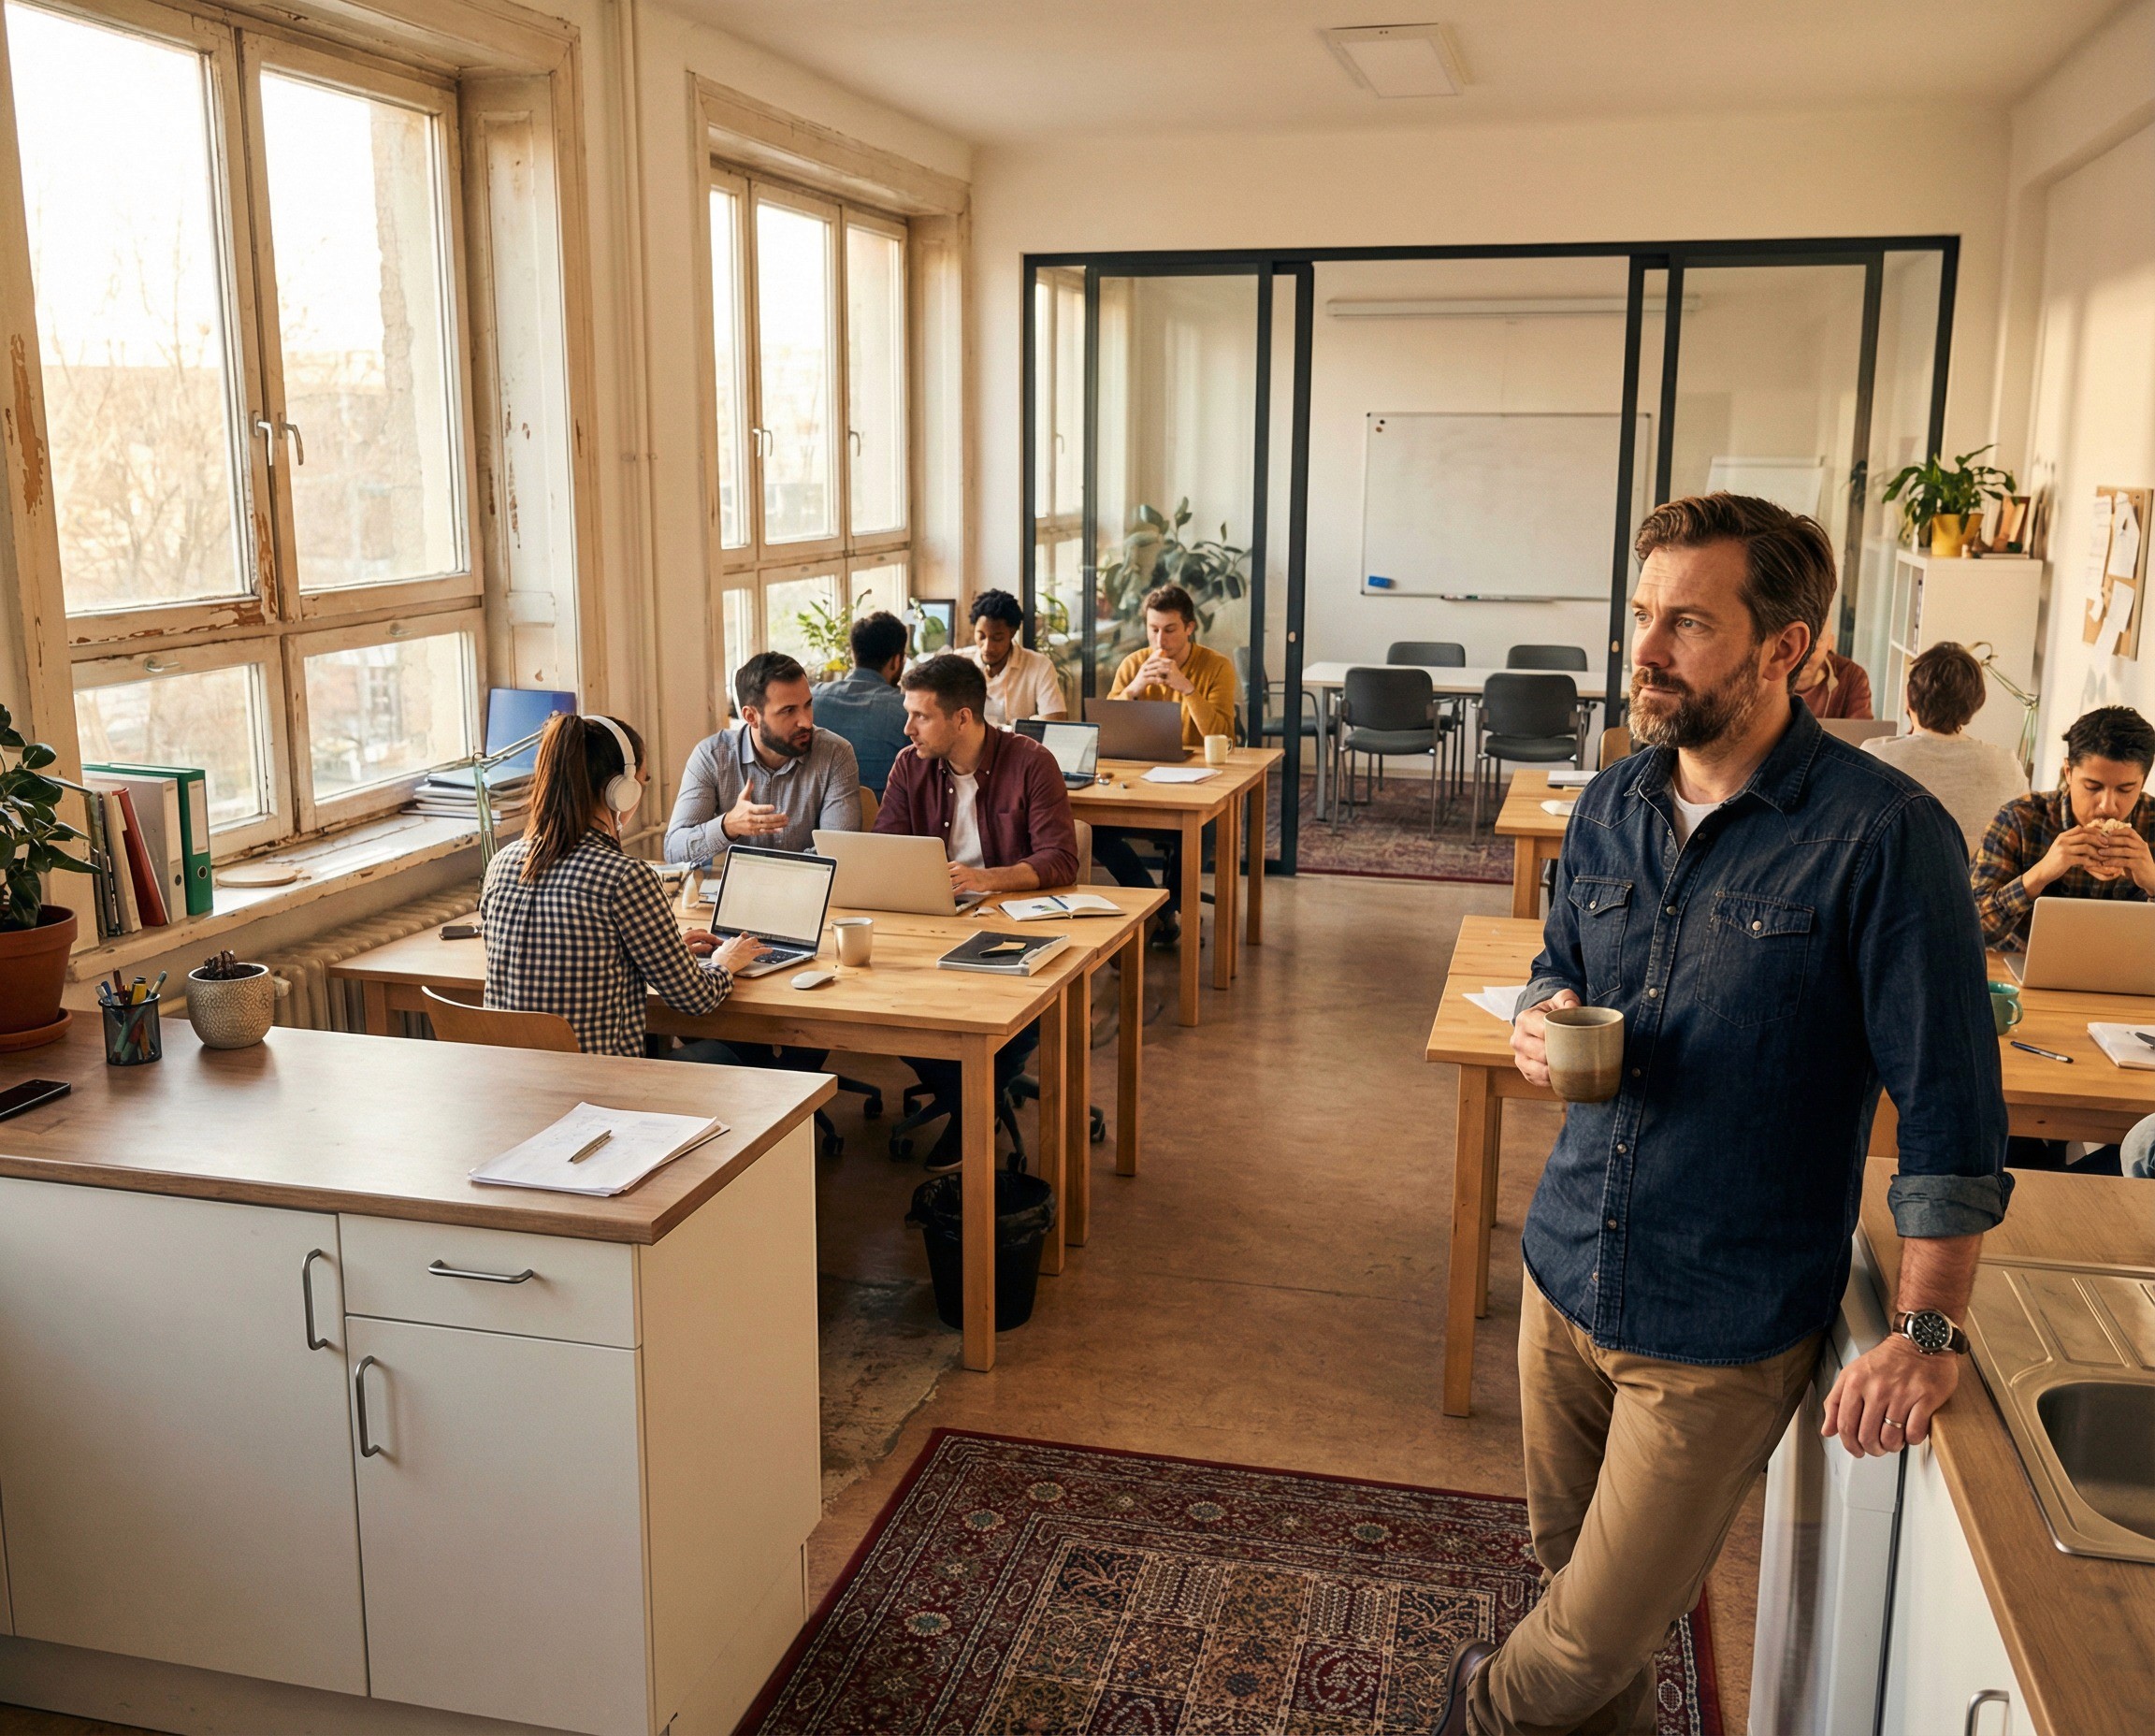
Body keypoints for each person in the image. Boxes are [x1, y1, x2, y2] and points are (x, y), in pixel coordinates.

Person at [1434, 494, 2011, 1736]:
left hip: (1720, 1323)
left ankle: (1474, 1706)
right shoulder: (1608, 806)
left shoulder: (1883, 838)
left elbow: (1955, 1107)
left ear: (1785, 646)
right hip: (1563, 1271)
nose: (1642, 652)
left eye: (1686, 624)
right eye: (1643, 615)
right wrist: (1542, 1012)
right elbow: (1555, 959)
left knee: (1574, 1646)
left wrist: (1928, 1329)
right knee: (1587, 1618)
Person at [876, 654, 1079, 1169]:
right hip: (933, 920)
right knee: (884, 1010)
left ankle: (971, 1108)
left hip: (1011, 928)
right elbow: (885, 846)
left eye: (920, 716)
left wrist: (987, 879)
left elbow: (1060, 859)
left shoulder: (1032, 762)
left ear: (962, 718)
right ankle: (977, 1101)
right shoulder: (909, 764)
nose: (908, 728)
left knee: (1020, 1011)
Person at [480, 713, 763, 1057]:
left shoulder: (502, 864)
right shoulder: (624, 877)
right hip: (599, 1095)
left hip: (516, 1093)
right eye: (642, 781)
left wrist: (663, 954)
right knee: (728, 1057)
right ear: (621, 791)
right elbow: (696, 998)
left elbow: (572, 959)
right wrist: (724, 960)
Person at [1092, 583, 1240, 951]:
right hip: (1140, 777)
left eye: (1170, 629)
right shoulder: (1133, 664)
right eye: (1153, 629)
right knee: (1092, 828)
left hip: (1198, 780)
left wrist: (1186, 688)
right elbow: (1106, 729)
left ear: (1189, 627)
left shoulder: (1216, 666)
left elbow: (1221, 733)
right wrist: (1135, 688)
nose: (1161, 639)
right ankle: (1156, 906)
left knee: (1195, 831)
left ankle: (1166, 912)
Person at [1970, 704, 2155, 949]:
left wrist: (2152, 882)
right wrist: (2039, 875)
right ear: (2068, 772)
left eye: (2125, 789)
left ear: (2143, 780)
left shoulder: (2151, 821)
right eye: (2093, 786)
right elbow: (1966, 930)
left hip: (2123, 979)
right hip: (2022, 973)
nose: (2108, 806)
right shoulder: (2019, 820)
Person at [663, 652, 861, 865]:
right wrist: (727, 826)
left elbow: (839, 853)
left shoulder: (835, 754)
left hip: (806, 892)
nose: (805, 721)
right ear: (751, 717)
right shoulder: (712, 756)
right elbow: (674, 851)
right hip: (733, 892)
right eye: (788, 711)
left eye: (807, 705)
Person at [1862, 642, 2026, 855]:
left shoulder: (1876, 756)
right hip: (1975, 887)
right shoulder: (2007, 764)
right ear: (1975, 702)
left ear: (1910, 697)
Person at [815, 611, 911, 795]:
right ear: (897, 661)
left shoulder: (813, 698)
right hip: (885, 819)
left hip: (817, 819)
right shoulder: (907, 711)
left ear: (853, 654)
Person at [957, 588, 1067, 727]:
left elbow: (1055, 722)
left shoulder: (1039, 665)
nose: (987, 647)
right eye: (981, 636)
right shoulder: (959, 662)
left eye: (997, 638)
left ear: (1012, 633)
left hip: (1017, 746)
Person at [1791, 635, 1873, 718]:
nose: (1804, 654)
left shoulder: (1851, 675)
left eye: (1816, 640)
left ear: (1830, 642)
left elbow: (1860, 729)